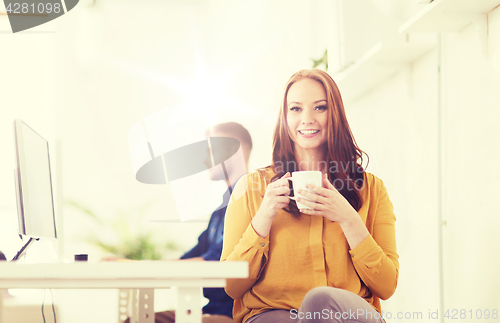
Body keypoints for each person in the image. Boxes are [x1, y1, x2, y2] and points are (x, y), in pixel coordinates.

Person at [221, 69, 399, 323]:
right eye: (295, 109)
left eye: (320, 107)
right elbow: (231, 286)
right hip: (274, 315)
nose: (307, 119)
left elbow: (387, 286)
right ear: (284, 117)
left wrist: (349, 219)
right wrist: (263, 218)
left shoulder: (371, 189)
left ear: (335, 114)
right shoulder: (251, 188)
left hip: (345, 317)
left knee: (320, 302)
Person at [154, 122, 253, 323]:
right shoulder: (223, 208)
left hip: (233, 314)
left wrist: (139, 268)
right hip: (210, 310)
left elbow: (214, 262)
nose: (205, 160)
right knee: (137, 319)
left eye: (211, 150)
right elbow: (191, 259)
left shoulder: (249, 201)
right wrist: (133, 266)